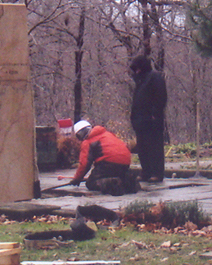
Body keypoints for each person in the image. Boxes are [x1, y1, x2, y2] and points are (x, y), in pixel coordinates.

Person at [67, 120, 140, 196]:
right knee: (117, 174)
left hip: (108, 164)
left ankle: (110, 183)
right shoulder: (108, 134)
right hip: (126, 162)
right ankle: (129, 181)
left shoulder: (87, 142)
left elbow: (84, 164)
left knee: (90, 182)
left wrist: (77, 179)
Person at [130, 55, 168, 183]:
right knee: (142, 149)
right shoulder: (140, 81)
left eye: (138, 68)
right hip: (140, 121)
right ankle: (146, 171)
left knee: (155, 148)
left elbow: (161, 97)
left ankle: (157, 173)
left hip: (152, 121)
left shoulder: (154, 77)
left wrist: (155, 114)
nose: (136, 71)